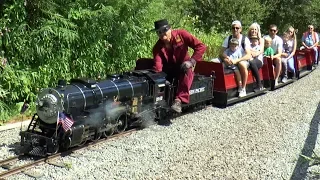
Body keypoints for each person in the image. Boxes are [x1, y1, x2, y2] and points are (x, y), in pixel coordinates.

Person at [152, 19, 206, 113]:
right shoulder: (157, 47)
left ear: (170, 29)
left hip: (183, 66)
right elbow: (158, 67)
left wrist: (191, 61)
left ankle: (179, 101)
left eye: (164, 30)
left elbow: (201, 46)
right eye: (159, 32)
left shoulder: (181, 34)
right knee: (143, 63)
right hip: (169, 69)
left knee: (187, 70)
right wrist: (160, 80)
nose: (162, 33)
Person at [219, 20, 251, 97]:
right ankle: (218, 86)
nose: (235, 29)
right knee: (214, 62)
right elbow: (221, 53)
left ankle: (243, 88)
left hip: (241, 59)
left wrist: (237, 60)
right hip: (230, 59)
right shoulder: (228, 38)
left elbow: (248, 55)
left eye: (237, 28)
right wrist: (225, 59)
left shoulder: (244, 39)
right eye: (233, 28)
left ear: (240, 29)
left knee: (241, 64)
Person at [247, 23, 264, 91]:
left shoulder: (261, 39)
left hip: (258, 59)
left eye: (255, 29)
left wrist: (255, 53)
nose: (254, 31)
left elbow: (261, 50)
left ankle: (259, 84)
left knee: (252, 62)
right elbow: (246, 49)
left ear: (257, 31)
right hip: (248, 58)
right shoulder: (247, 39)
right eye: (252, 29)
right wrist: (251, 52)